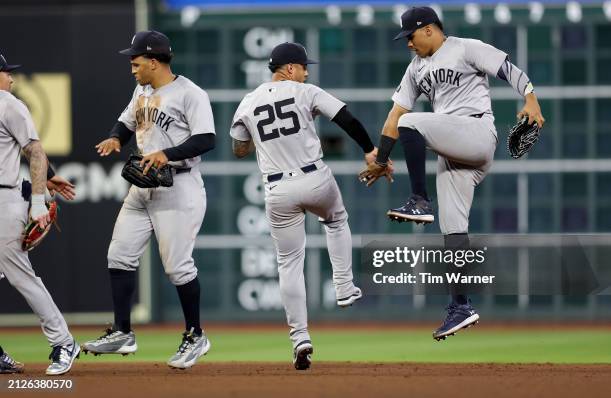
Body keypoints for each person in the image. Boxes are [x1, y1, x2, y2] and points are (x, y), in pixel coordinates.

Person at [359, 7, 545, 340]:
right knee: (453, 229)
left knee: (412, 123)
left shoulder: (464, 47)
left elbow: (509, 69)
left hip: (476, 133)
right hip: (452, 150)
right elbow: (394, 115)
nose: (408, 44)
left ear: (429, 30)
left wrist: (530, 99)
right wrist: (381, 158)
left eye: (411, 36)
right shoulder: (415, 69)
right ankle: (461, 305)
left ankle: (419, 200)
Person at [230, 42, 374, 370]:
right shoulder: (304, 89)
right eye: (303, 65)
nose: (307, 71)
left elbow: (239, 149)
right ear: (290, 69)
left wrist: (261, 136)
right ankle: (344, 287)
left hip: (277, 188)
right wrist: (370, 150)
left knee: (289, 262)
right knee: (336, 220)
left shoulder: (248, 102)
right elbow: (346, 119)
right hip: (314, 178)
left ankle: (300, 337)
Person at [81, 31, 216, 369]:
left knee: (177, 267)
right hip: (143, 185)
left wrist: (166, 153)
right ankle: (123, 332)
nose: (133, 69)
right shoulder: (141, 91)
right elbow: (126, 123)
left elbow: (206, 139)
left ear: (154, 62)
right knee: (119, 255)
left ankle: (196, 335)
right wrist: (115, 138)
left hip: (179, 187)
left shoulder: (190, 94)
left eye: (136, 62)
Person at [0, 53, 79, 375]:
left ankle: (63, 341)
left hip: (5, 199)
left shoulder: (8, 104)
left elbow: (34, 149)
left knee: (20, 274)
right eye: (6, 72)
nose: (11, 78)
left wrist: (37, 200)